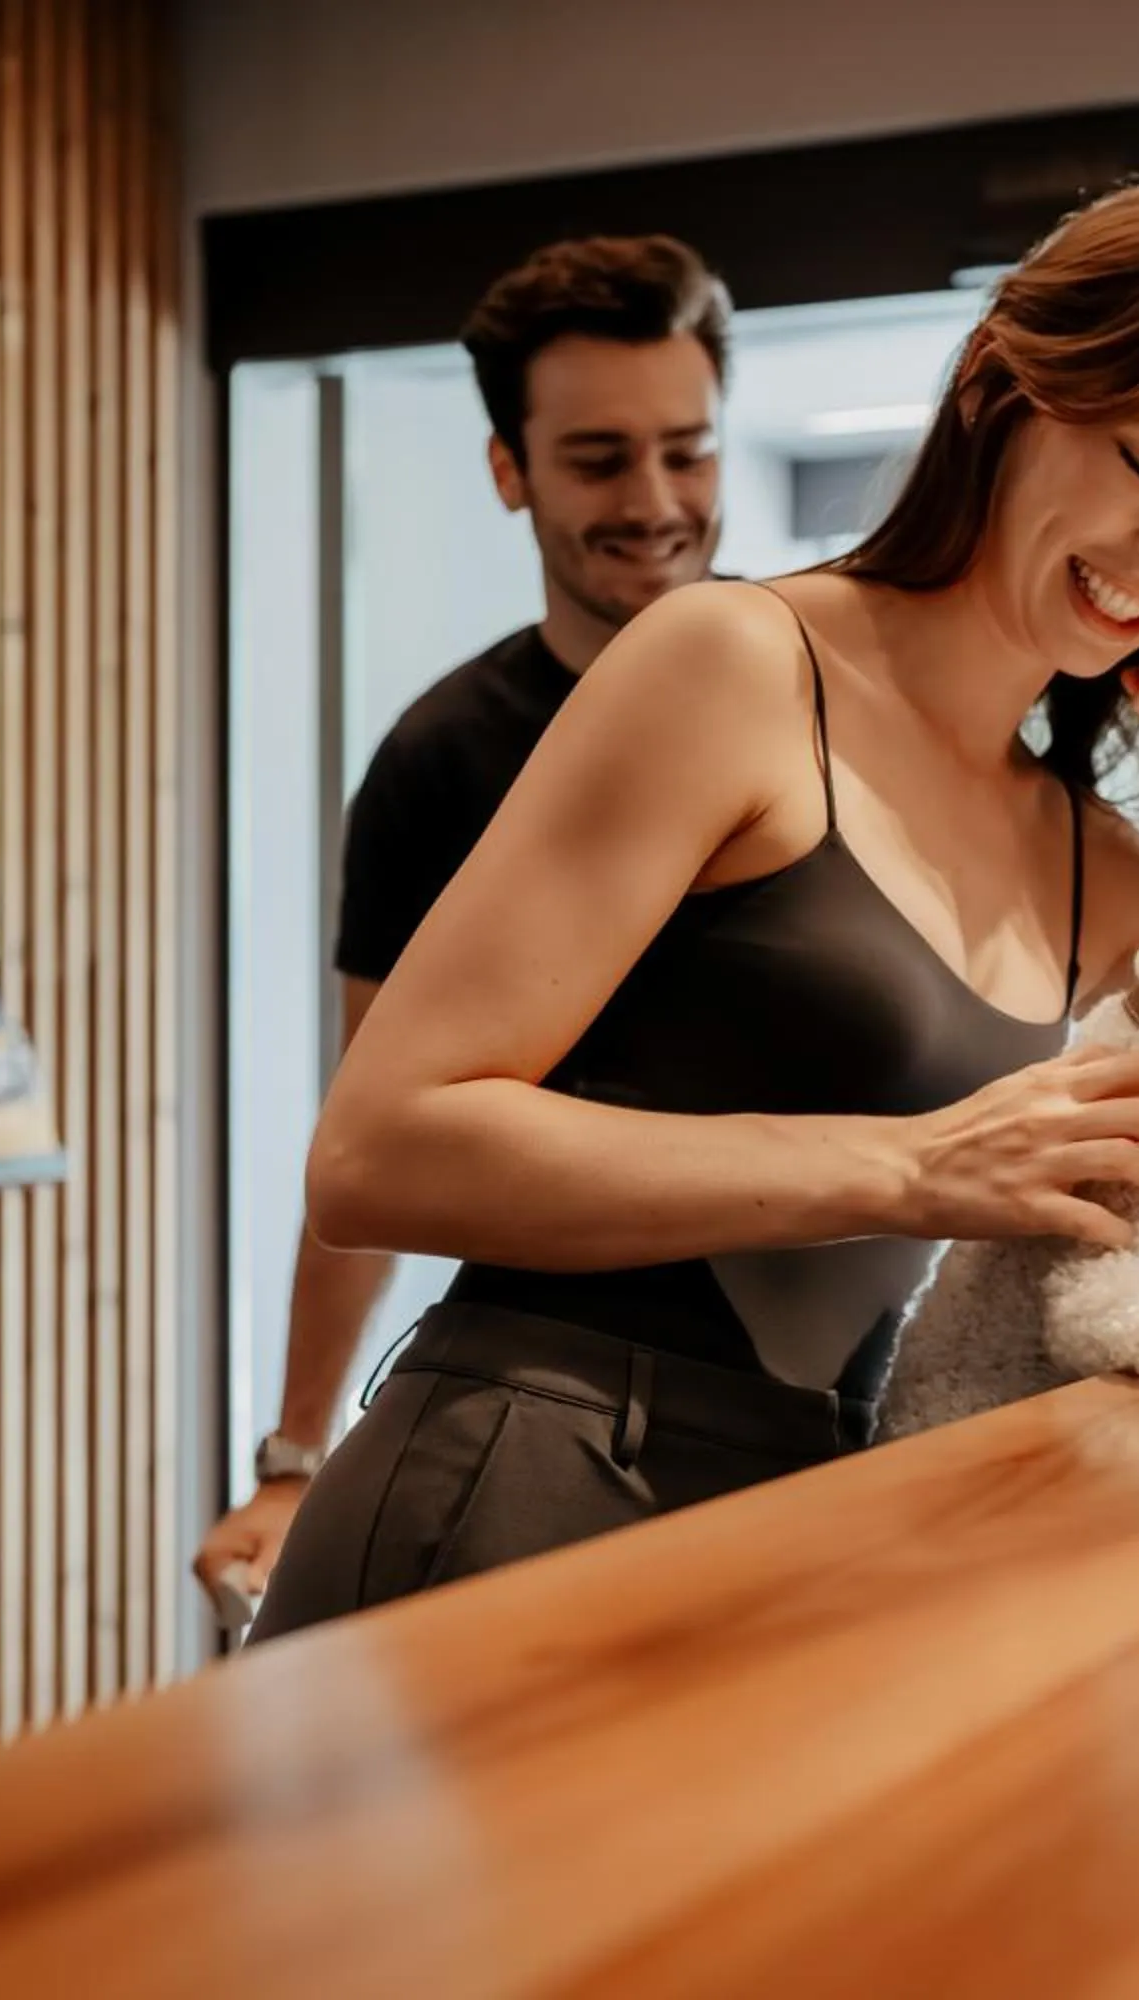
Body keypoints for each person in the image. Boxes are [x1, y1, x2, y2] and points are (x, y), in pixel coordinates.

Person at [225, 183, 1139, 1637]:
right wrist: (909, 1166)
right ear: (1004, 383)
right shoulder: (730, 667)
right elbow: (377, 1152)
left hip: (811, 1517)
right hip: (523, 1478)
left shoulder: (1103, 866)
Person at [194, 233, 734, 1611]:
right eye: (600, 459)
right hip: (560, 1427)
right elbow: (368, 1145)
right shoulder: (438, 763)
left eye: (689, 449)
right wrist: (291, 1454)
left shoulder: (833, 696)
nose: (657, 500)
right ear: (511, 471)